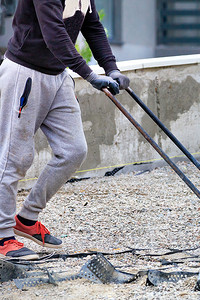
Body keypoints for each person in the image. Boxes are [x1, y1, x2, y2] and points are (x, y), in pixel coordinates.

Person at [0, 0, 129, 260]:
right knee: (14, 157)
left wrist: (112, 67)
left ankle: (26, 218)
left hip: (57, 76)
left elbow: (93, 27)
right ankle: (3, 236)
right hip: (25, 72)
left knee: (73, 151)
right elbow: (54, 34)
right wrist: (90, 75)